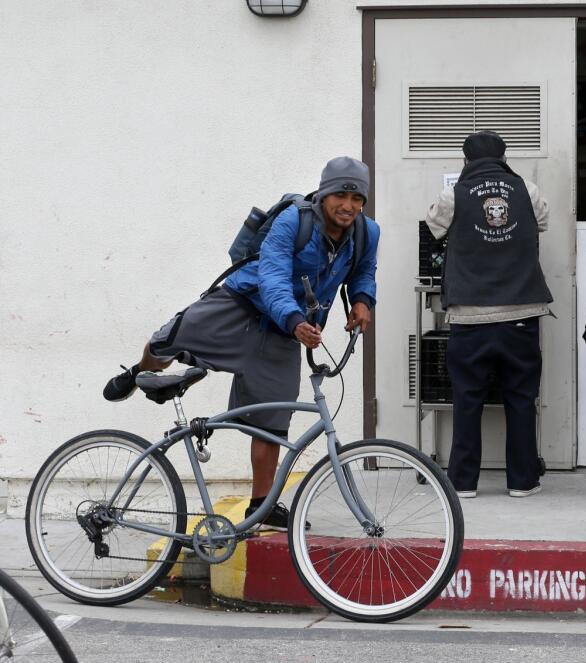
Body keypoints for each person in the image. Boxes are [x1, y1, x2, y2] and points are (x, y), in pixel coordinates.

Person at [102, 156, 381, 530]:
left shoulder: (367, 233)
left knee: (271, 420)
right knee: (168, 338)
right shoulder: (293, 222)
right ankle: (140, 372)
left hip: (283, 330)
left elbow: (363, 271)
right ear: (325, 193)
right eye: (340, 195)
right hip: (242, 303)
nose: (348, 205)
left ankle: (262, 506)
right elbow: (273, 279)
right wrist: (297, 319)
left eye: (356, 198)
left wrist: (363, 300)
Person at [426, 131, 553, 499]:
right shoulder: (526, 189)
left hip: (470, 315)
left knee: (468, 400)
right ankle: (523, 480)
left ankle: (463, 483)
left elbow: (434, 225)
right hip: (522, 312)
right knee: (521, 397)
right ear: (502, 156)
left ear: (466, 159)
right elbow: (542, 222)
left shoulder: (455, 193)